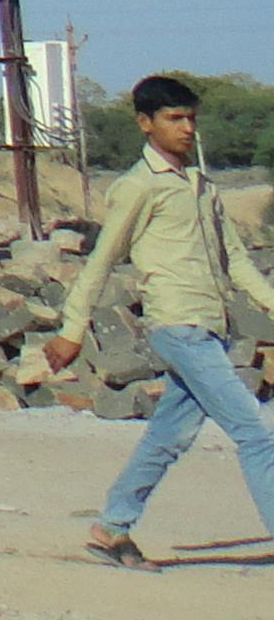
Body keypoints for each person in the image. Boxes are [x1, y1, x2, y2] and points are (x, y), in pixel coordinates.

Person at [47, 75, 274, 567]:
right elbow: (102, 259)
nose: (187, 129)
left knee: (167, 436)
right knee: (256, 435)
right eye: (174, 119)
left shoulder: (199, 185)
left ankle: (111, 529)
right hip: (178, 328)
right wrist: (71, 329)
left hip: (210, 328)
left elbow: (235, 260)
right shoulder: (136, 187)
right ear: (145, 124)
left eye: (191, 118)